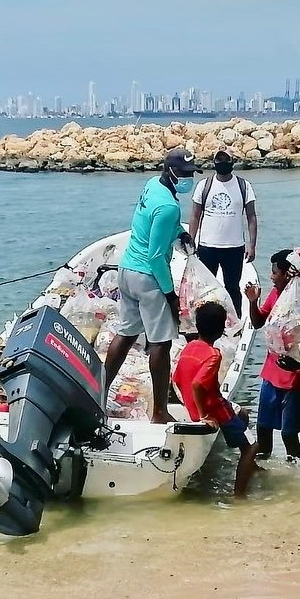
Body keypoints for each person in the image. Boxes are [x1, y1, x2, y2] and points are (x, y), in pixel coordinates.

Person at [104, 147, 200, 424]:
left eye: (190, 174)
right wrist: (170, 296)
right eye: (183, 174)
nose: (187, 179)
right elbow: (156, 257)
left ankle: (98, 392)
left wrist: (181, 233)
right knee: (160, 344)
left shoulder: (152, 186)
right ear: (170, 171)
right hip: (147, 278)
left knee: (125, 334)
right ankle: (159, 412)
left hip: (126, 271)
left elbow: (151, 228)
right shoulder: (169, 207)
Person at [172, 302, 259, 496]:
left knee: (243, 414)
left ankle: (248, 465)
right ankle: (240, 494)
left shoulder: (189, 347)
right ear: (221, 331)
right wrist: (203, 414)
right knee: (253, 446)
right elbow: (198, 384)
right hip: (215, 410)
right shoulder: (214, 355)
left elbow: (176, 378)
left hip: (196, 406)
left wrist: (191, 405)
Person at [244, 249, 300, 463]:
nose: (271, 277)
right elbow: (258, 323)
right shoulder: (275, 294)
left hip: (294, 378)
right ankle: (264, 479)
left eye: (275, 272)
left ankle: (296, 480)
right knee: (263, 429)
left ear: (287, 274)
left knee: (288, 434)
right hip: (271, 374)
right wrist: (253, 302)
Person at [188, 148, 258, 315]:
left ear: (232, 162)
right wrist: (191, 241)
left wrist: (252, 245)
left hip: (234, 247)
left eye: (226, 160)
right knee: (205, 288)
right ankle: (204, 322)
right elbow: (195, 216)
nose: (222, 164)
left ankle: (235, 322)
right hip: (207, 246)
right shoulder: (204, 185)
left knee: (232, 287)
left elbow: (251, 217)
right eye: (219, 161)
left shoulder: (244, 186)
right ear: (214, 163)